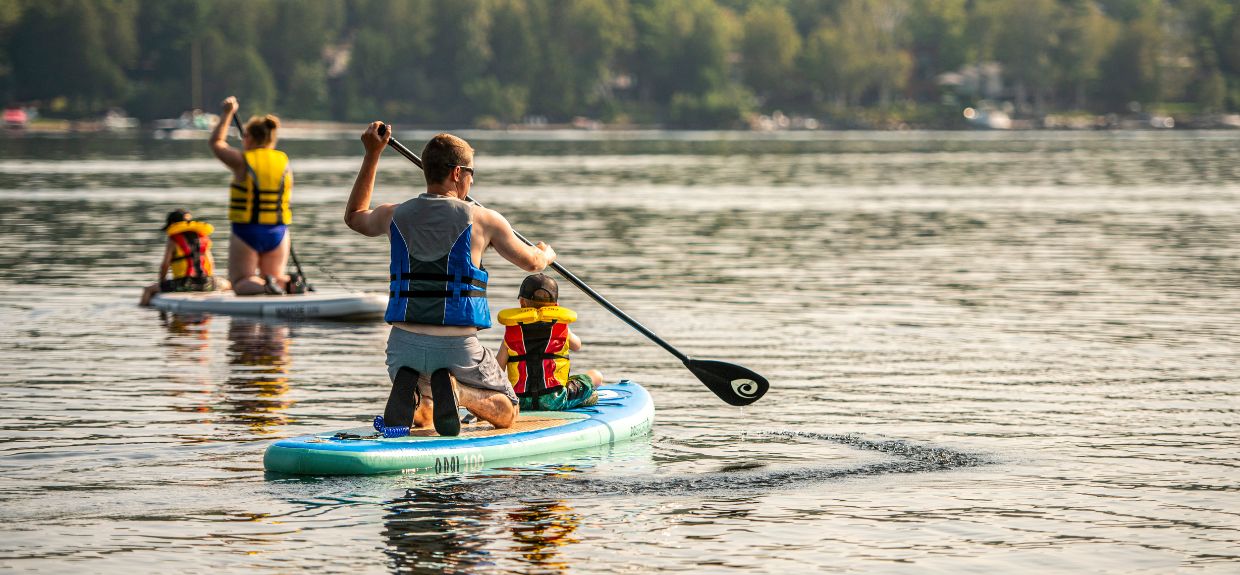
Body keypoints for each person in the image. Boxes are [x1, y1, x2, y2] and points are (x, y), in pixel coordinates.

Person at [344, 123, 556, 437]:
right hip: (458, 350)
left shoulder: (394, 215)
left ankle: (418, 399)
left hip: (402, 348)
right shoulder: (484, 219)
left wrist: (372, 154)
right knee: (509, 411)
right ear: (457, 173)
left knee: (428, 414)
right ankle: (458, 393)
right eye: (471, 172)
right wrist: (546, 253)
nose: (472, 180)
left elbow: (355, 215)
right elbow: (532, 263)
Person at [208, 96, 306, 296]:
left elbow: (216, 143)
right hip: (278, 232)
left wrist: (227, 113)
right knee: (275, 276)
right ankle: (287, 284)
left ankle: (266, 287)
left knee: (240, 282)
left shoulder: (241, 160)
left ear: (249, 138)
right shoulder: (283, 162)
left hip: (247, 231)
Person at [496, 274, 601, 411]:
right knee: (596, 376)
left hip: (519, 400)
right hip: (555, 400)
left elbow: (497, 369)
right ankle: (581, 397)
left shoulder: (511, 334)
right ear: (556, 306)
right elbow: (577, 345)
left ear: (522, 302)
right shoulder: (561, 329)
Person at [140, 209, 232, 306]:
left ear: (172, 224)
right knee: (228, 284)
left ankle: (142, 313)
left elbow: (165, 265)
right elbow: (211, 263)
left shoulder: (173, 241)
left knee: (148, 290)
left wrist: (162, 282)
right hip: (207, 283)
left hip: (184, 285)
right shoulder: (202, 238)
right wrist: (209, 280)